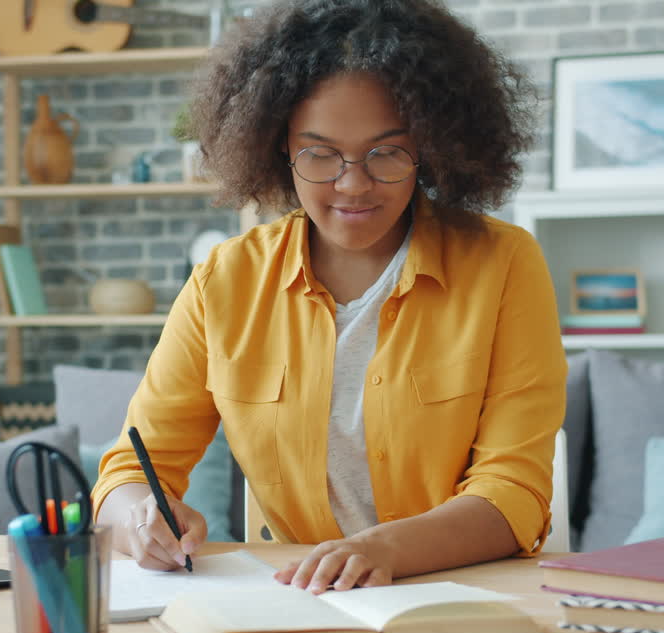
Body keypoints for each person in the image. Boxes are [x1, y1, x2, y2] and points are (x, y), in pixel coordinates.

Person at [92, 0, 566, 593]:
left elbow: (515, 491)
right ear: (278, 146)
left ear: (430, 145)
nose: (352, 183)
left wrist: (381, 550)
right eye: (319, 153)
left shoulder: (503, 263)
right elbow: (131, 470)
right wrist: (142, 520)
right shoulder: (225, 282)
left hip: (462, 597)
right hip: (302, 598)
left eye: (386, 152)